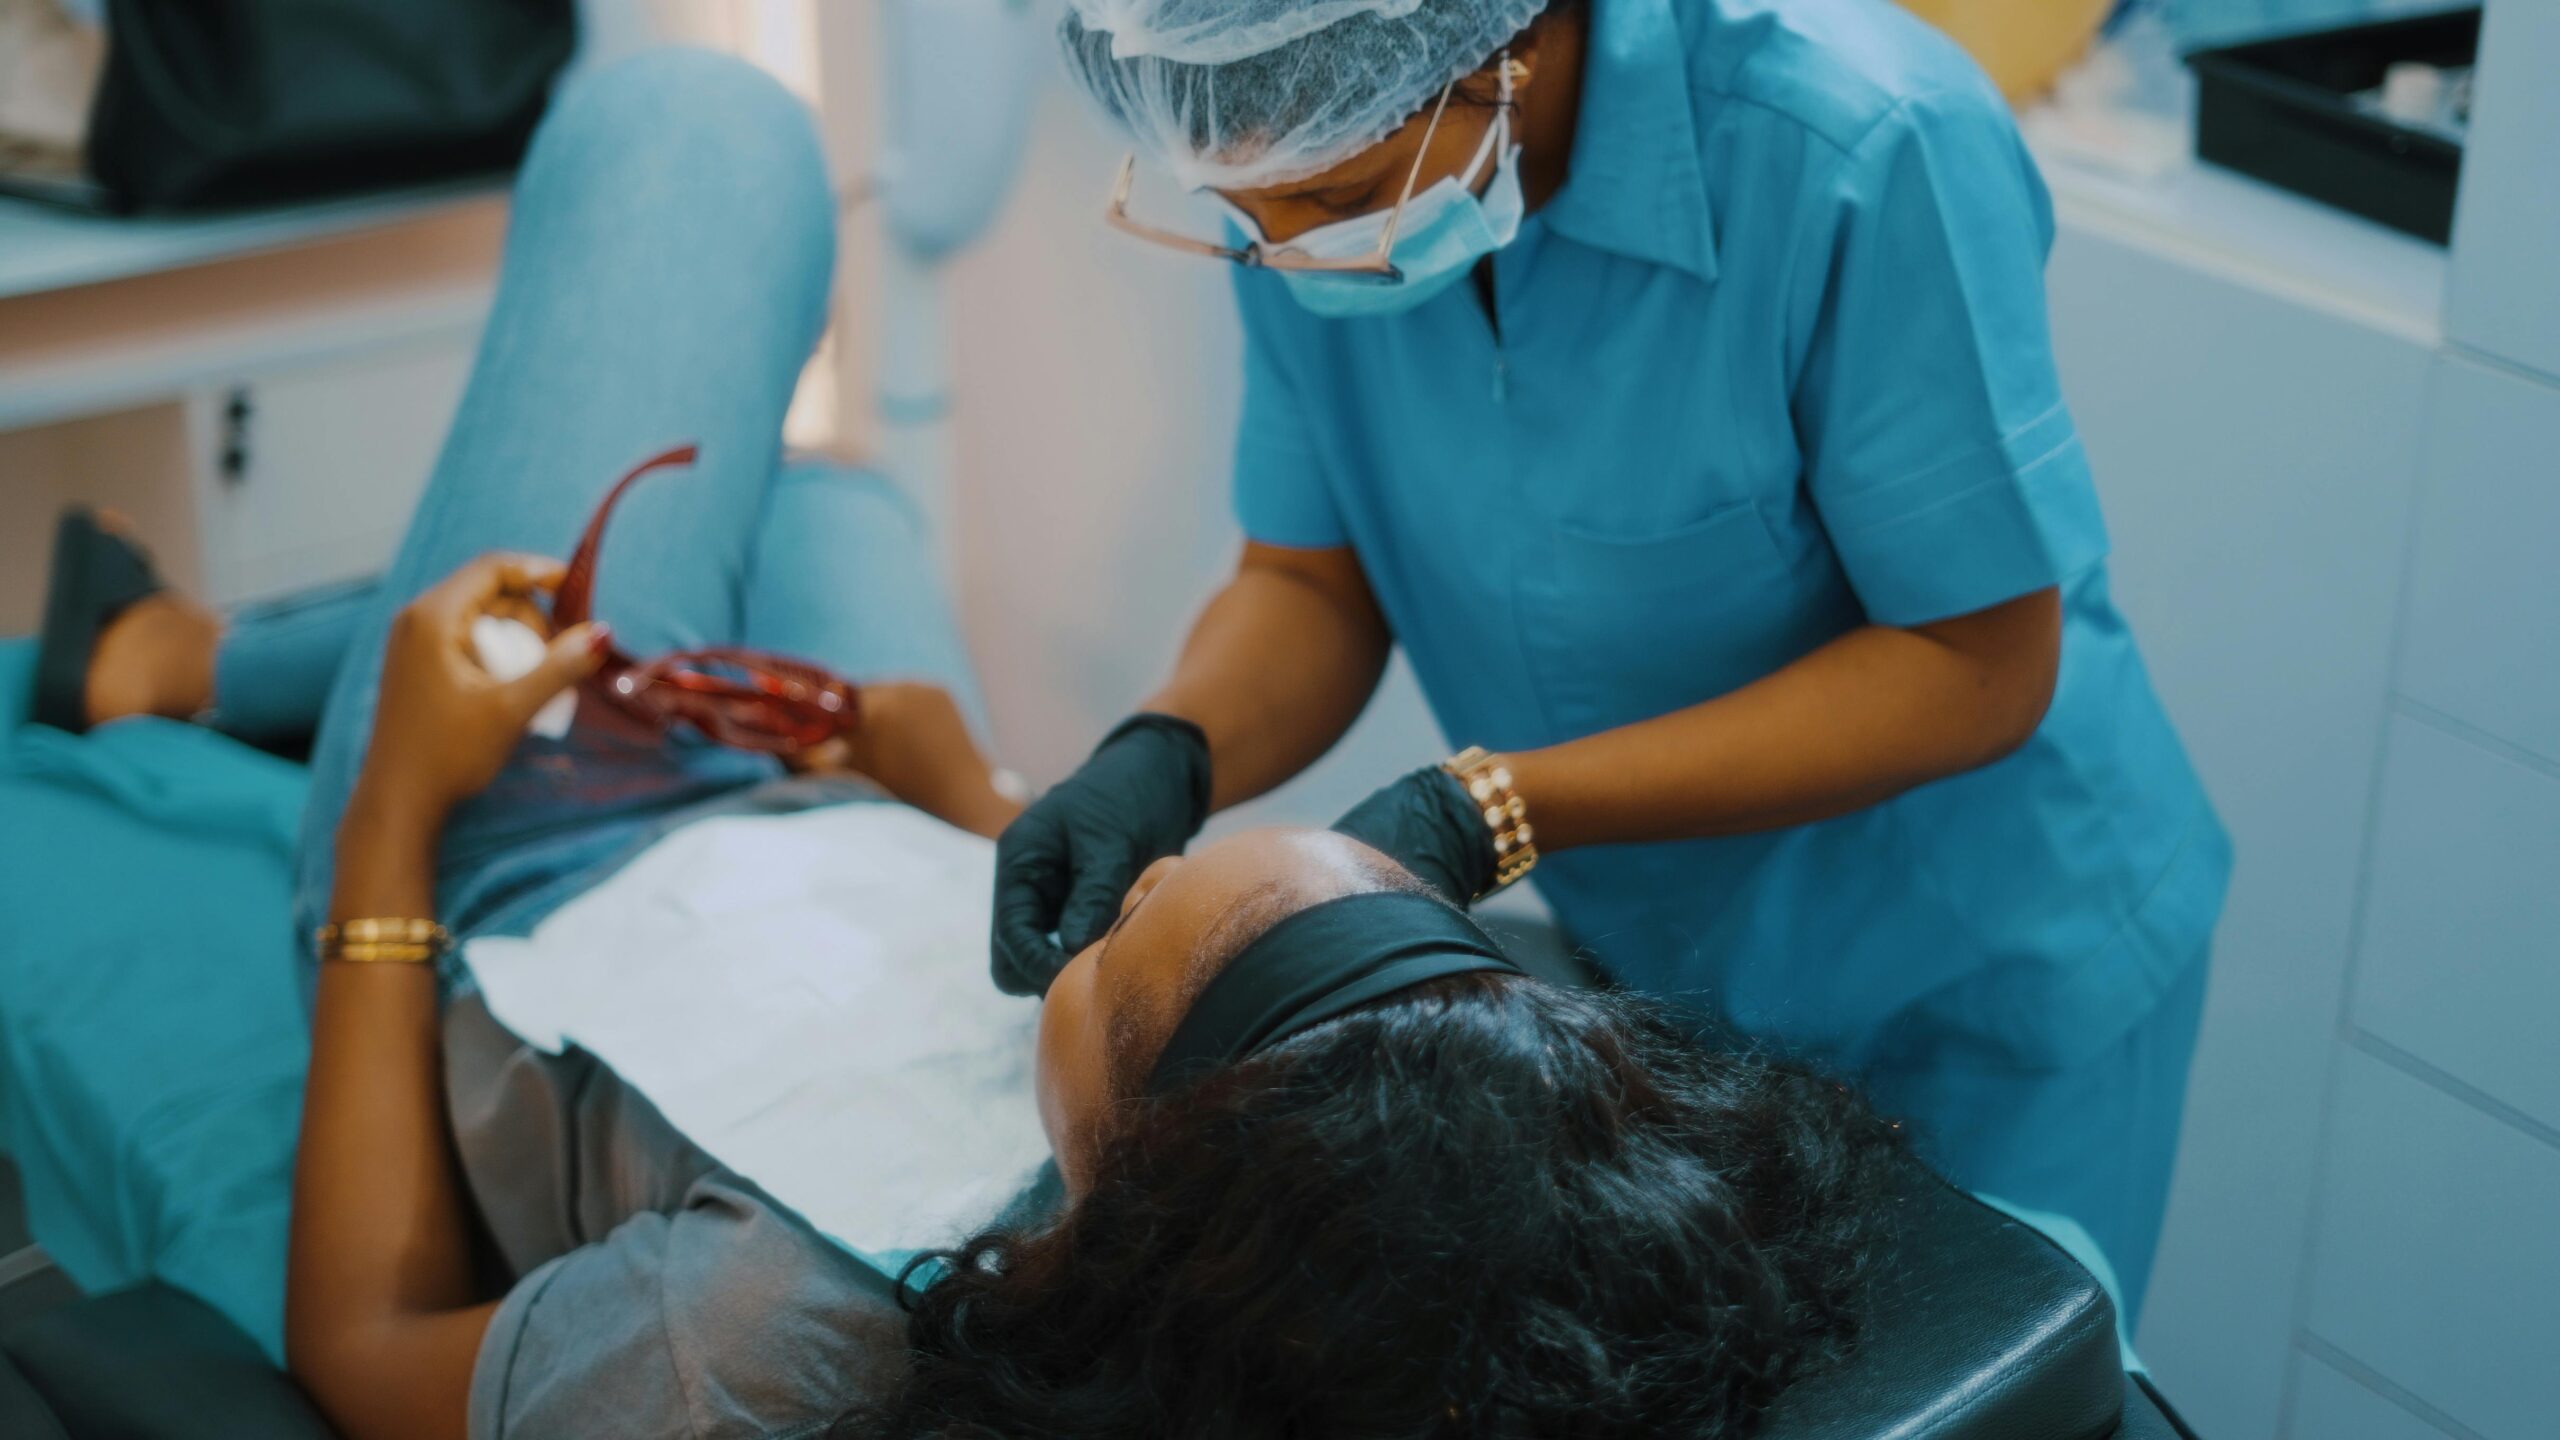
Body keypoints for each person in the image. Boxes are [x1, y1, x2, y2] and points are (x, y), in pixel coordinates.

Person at [14, 48, 1903, 1440]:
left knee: (702, 128)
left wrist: (398, 815)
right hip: (832, 811)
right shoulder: (1243, 1174)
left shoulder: (763, 1339)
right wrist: (958, 792)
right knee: (824, 499)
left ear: (1123, 1176)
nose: (1140, 872)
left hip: (526, 876)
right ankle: (201, 664)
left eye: (1146, 912)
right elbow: (1153, 953)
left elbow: (362, 1341)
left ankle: (220, 684)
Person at [1000, 0, 2230, 1320]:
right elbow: (1310, 578)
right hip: (1651, 970)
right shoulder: (1303, 155)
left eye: (1343, 194)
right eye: (1252, 218)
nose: (1300, 254)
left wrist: (1495, 810)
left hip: (1970, 965)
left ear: (1507, 42)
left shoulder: (1860, 143)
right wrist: (1169, 747)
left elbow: (1975, 660)